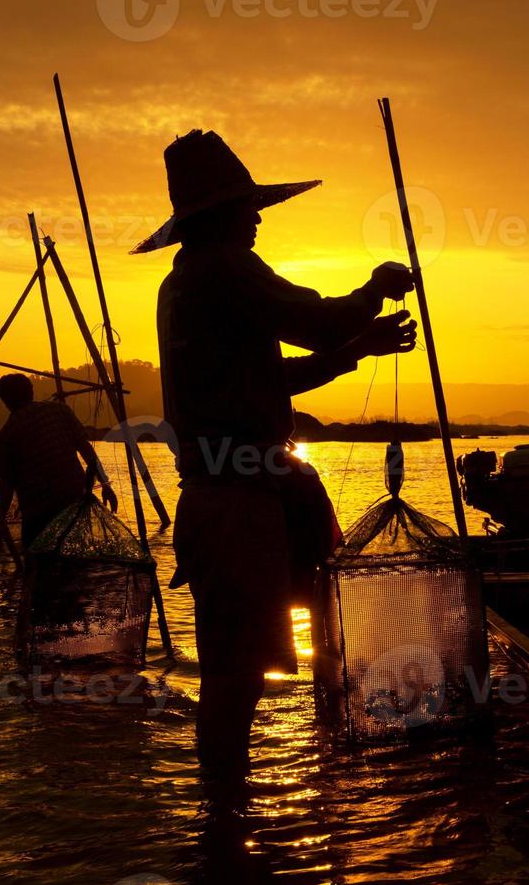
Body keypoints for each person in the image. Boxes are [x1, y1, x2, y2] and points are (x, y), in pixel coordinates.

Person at [134, 129, 416, 780]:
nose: (258, 215)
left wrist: (356, 351)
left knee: (241, 671)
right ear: (218, 216)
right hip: (235, 506)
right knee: (236, 677)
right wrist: (373, 287)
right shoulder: (223, 269)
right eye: (247, 205)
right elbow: (312, 319)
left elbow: (271, 380)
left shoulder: (185, 285)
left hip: (228, 499)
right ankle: (226, 820)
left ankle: (234, 822)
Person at [0, 373, 119, 547]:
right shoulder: (59, 411)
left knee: (38, 561)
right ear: (31, 392)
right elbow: (86, 450)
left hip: (38, 512)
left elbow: (5, 487)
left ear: (5, 400)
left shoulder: (6, 435)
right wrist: (105, 484)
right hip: (73, 502)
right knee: (74, 554)